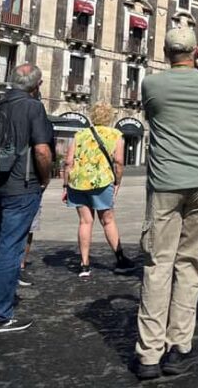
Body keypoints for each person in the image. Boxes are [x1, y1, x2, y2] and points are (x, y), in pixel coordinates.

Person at [132, 27, 198, 380]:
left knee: (158, 265)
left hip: (165, 184)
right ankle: (179, 348)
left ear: (165, 51)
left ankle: (148, 354)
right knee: (189, 264)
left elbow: (154, 115)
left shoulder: (151, 84)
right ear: (197, 52)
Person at [0, 63, 53, 334]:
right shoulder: (33, 108)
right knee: (10, 249)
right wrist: (45, 179)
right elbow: (42, 150)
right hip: (21, 187)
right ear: (36, 85)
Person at [62, 101, 135, 277]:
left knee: (85, 222)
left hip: (78, 183)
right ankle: (120, 259)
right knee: (108, 220)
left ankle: (84, 264)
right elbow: (118, 162)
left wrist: (66, 184)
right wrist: (117, 182)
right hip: (101, 182)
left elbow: (68, 162)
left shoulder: (80, 134)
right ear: (110, 116)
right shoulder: (116, 134)